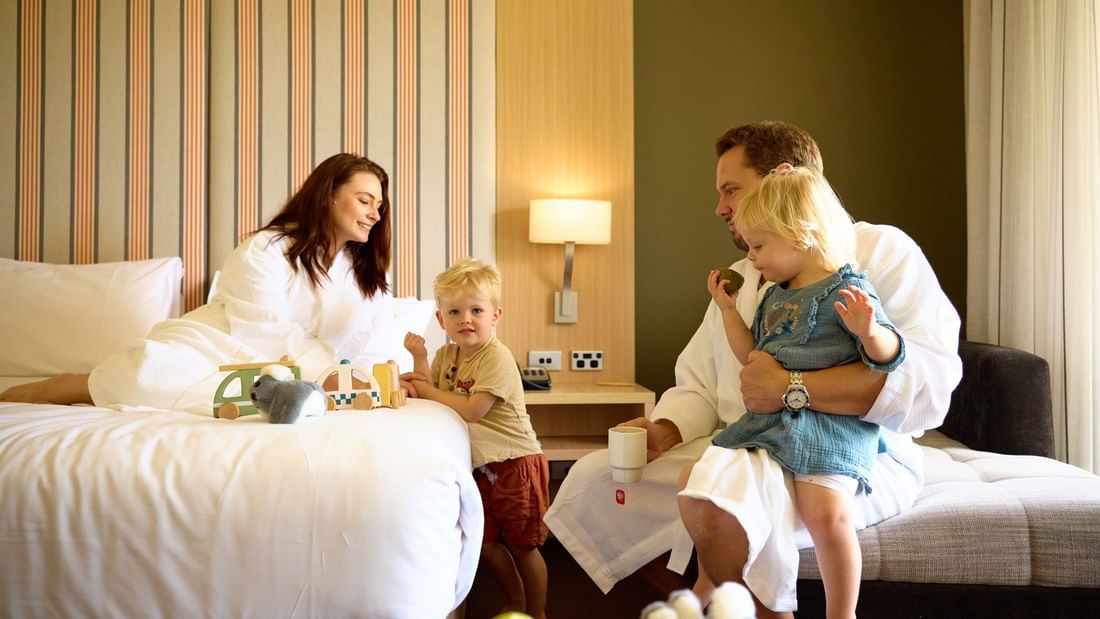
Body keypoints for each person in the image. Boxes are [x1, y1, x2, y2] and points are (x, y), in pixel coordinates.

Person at [542, 121, 961, 617]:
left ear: (782, 177)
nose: (721, 208)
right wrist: (667, 428)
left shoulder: (878, 253)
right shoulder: (747, 274)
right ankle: (709, 601)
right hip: (756, 437)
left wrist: (792, 388)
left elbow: (925, 384)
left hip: (849, 447)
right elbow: (699, 381)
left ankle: (751, 604)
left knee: (736, 504)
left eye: (731, 190)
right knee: (599, 476)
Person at [0, 153, 397, 415]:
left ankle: (280, 397)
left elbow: (369, 341)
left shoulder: (366, 278)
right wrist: (325, 371)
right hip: (221, 345)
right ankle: (40, 391)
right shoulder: (266, 249)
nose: (375, 214)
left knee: (282, 386)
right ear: (328, 195)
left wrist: (377, 377)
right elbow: (261, 327)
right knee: (151, 372)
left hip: (313, 373)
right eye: (364, 200)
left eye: (379, 205)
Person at [703, 166, 905, 619]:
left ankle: (842, 612)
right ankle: (741, 596)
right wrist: (730, 312)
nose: (752, 259)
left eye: (759, 246)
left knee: (825, 512)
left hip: (831, 426)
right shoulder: (775, 297)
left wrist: (870, 331)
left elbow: (889, 357)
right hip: (775, 425)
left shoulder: (848, 288)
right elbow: (752, 356)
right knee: (726, 487)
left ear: (799, 235)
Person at [401, 258, 550, 619]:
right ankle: (515, 601)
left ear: (495, 316)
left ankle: (539, 612)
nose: (465, 319)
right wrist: (418, 361)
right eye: (454, 311)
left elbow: (471, 410)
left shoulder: (497, 358)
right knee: (483, 543)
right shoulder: (446, 354)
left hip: (516, 463)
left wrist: (424, 390)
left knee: (523, 545)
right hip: (482, 466)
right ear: (441, 320)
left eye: (476, 310)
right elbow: (433, 390)